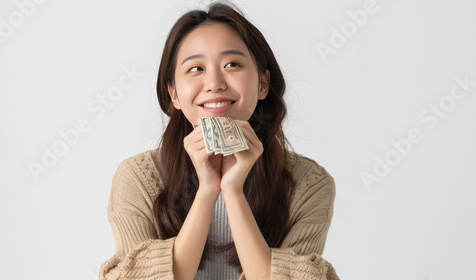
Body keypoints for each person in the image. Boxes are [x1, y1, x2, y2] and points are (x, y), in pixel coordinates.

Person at [99, 1, 340, 279]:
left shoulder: (308, 185)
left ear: (262, 84)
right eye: (196, 69)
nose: (214, 83)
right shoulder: (138, 178)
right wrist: (206, 190)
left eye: (232, 64)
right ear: (174, 94)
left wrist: (234, 192)